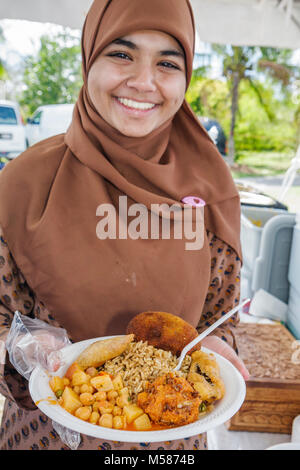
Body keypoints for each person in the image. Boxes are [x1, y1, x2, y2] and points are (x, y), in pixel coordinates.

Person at [0, 0, 249, 451]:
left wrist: (219, 350)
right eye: (121, 53)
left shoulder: (211, 190)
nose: (143, 81)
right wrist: (21, 350)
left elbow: (221, 315)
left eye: (168, 62)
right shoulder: (23, 184)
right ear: (88, 57)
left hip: (172, 440)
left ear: (186, 76)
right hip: (46, 435)